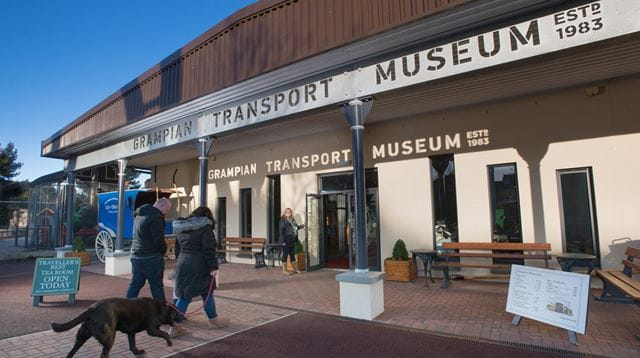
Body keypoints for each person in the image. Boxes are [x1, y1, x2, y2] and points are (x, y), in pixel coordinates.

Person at [172, 206, 229, 330]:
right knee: (207, 293)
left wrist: (180, 261)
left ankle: (175, 326)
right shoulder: (205, 228)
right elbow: (209, 249)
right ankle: (213, 321)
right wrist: (213, 266)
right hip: (200, 264)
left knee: (184, 295)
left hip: (183, 262)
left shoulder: (181, 227)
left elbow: (177, 249)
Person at [126, 198, 171, 300]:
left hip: (136, 255)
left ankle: (126, 307)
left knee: (135, 284)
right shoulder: (155, 217)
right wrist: (163, 251)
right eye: (167, 209)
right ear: (162, 206)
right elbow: (158, 239)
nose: (166, 212)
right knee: (156, 286)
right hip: (151, 257)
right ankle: (161, 311)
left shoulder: (139, 215)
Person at [279, 208, 304, 275]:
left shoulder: (293, 220)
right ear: (284, 213)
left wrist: (300, 226)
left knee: (292, 255)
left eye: (289, 212)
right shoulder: (283, 220)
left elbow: (295, 228)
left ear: (291, 213)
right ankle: (284, 270)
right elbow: (281, 231)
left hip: (292, 240)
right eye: (287, 212)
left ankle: (295, 269)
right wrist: (283, 241)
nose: (288, 213)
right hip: (286, 240)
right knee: (285, 255)